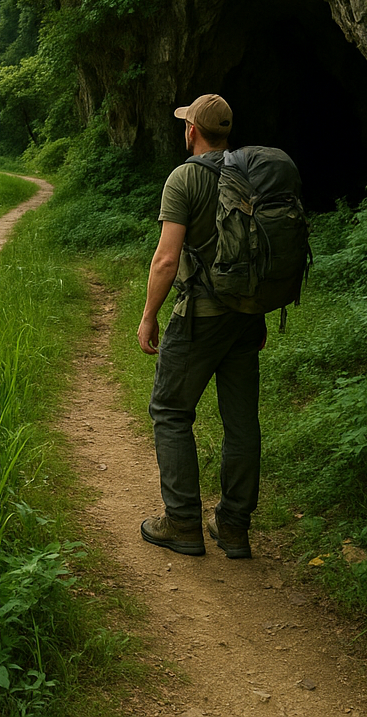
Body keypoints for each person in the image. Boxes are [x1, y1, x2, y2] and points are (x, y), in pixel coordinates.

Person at [136, 94, 267, 560]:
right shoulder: (252, 172)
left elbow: (167, 257)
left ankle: (183, 522)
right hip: (248, 314)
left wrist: (149, 315)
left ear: (192, 130)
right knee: (240, 421)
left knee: (171, 411)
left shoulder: (185, 177)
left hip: (202, 317)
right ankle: (232, 527)